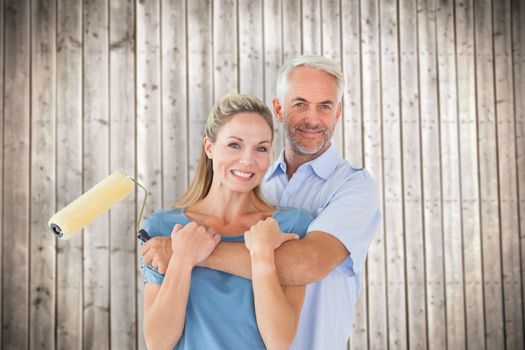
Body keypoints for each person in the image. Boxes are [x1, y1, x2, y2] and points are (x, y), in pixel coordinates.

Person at [141, 55, 380, 349]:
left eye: (325, 106)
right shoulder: (169, 223)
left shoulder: (350, 189)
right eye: (300, 103)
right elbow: (157, 342)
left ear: (338, 112)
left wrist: (186, 252)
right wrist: (181, 255)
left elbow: (308, 263)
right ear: (279, 109)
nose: (312, 118)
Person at [141, 93, 314, 350]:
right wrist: (182, 258)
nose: (248, 159)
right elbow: (158, 343)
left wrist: (263, 252)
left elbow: (279, 342)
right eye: (235, 145)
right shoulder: (163, 228)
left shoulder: (289, 226)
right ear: (209, 148)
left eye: (261, 148)